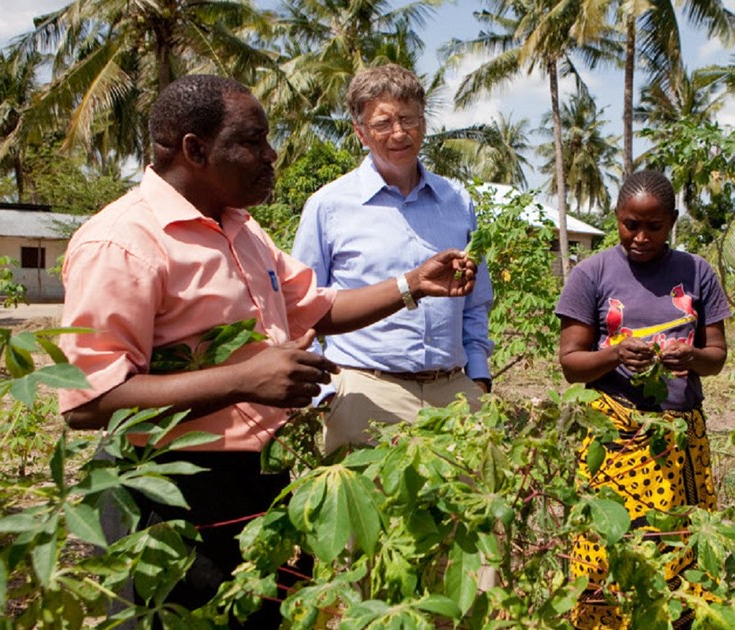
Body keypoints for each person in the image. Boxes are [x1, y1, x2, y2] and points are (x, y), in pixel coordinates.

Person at [58, 74, 476, 627]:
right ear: (195, 149)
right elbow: (88, 403)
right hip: (165, 489)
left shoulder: (242, 230)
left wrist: (412, 286)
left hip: (255, 480)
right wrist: (243, 380)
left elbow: (316, 306)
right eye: (252, 142)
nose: (270, 154)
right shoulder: (122, 243)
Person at [555, 170, 730, 629]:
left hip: (678, 437)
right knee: (606, 550)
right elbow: (571, 363)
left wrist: (691, 357)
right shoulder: (591, 273)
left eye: (654, 227)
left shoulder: (697, 272)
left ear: (672, 221)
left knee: (679, 550)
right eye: (631, 224)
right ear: (617, 216)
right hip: (612, 435)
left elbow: (717, 358)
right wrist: (613, 355)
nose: (640, 237)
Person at [292, 63, 495, 454]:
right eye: (383, 123)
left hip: (453, 394)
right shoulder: (329, 206)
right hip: (365, 393)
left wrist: (479, 379)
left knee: (460, 515)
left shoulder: (457, 201)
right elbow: (300, 306)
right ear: (360, 132)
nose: (399, 133)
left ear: (424, 121)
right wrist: (327, 395)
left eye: (408, 119)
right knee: (368, 514)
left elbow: (476, 300)